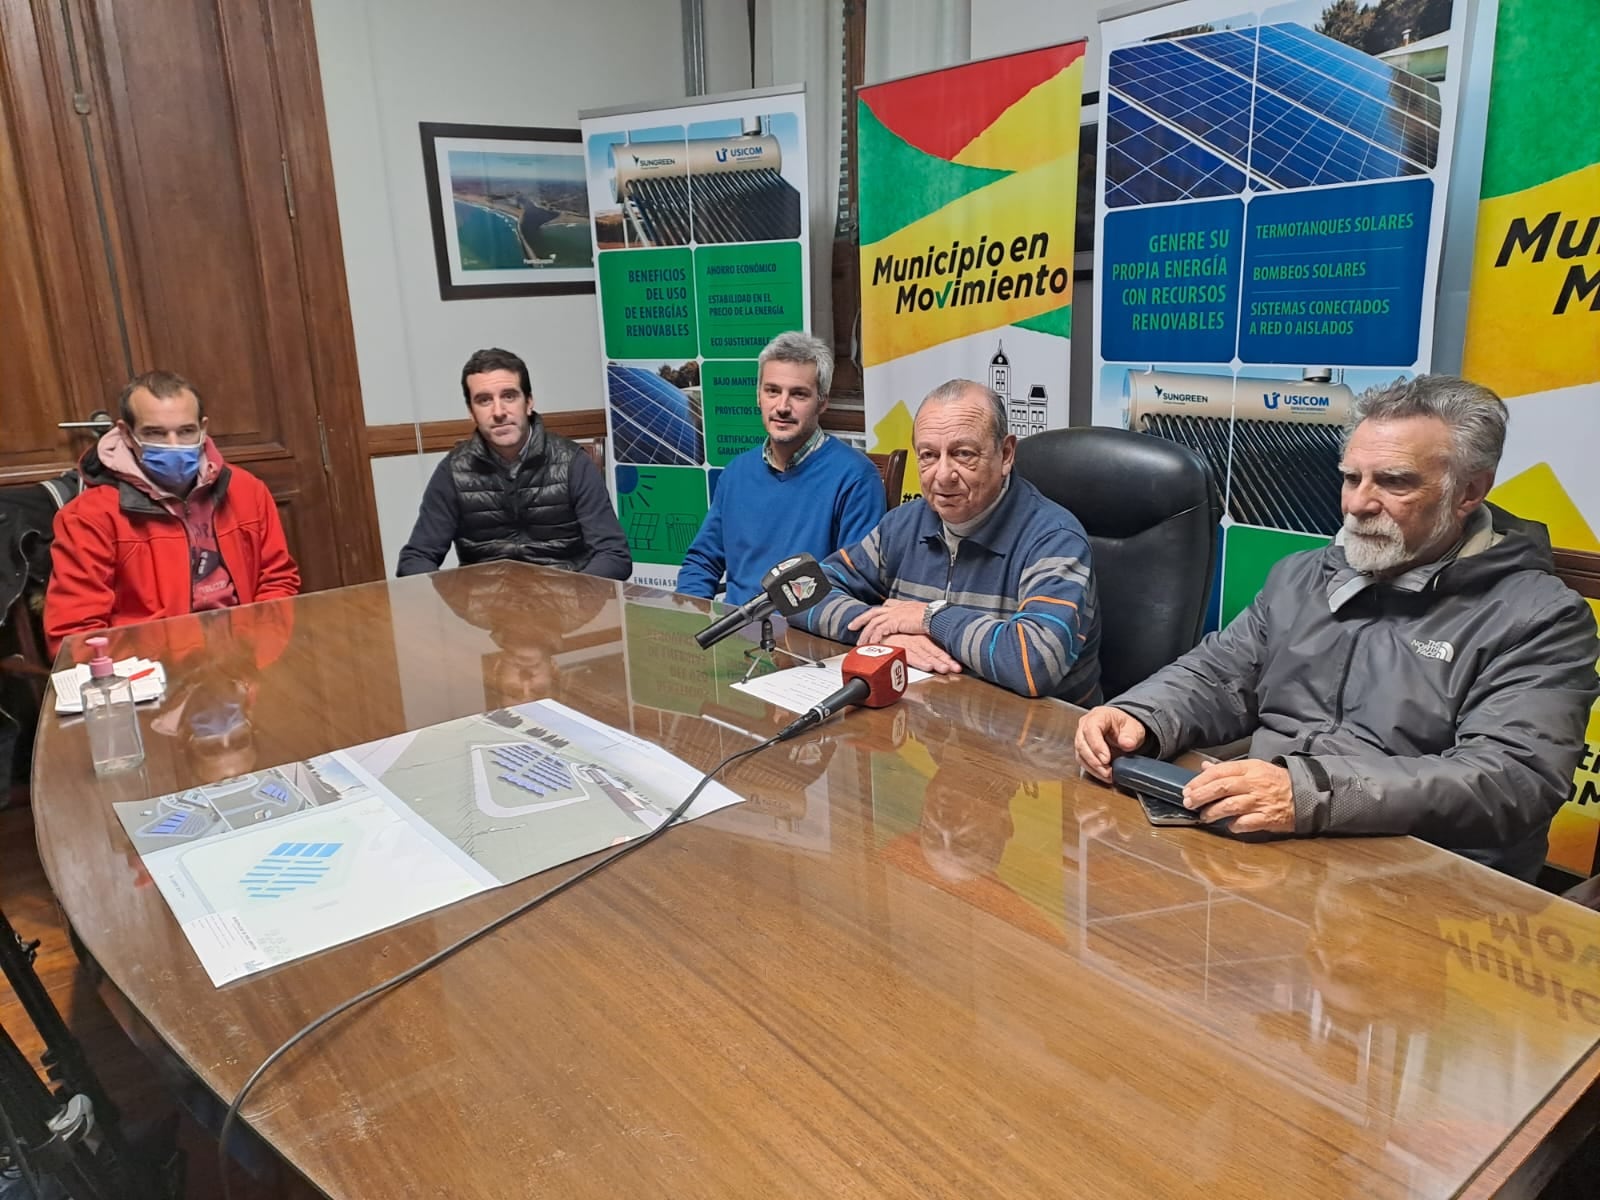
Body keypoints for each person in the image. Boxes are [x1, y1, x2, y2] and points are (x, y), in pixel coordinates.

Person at [1074, 374, 1600, 881]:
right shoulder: (1304, 574)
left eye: (1393, 482)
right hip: (1269, 852)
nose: (1357, 505)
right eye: (1351, 477)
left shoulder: (1540, 617)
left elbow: (1511, 779)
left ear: (1468, 492)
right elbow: (1219, 675)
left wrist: (1310, 794)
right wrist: (1139, 714)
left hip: (1421, 881)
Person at [792, 379, 1101, 703]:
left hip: (1037, 742)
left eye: (963, 454)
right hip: (929, 729)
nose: (942, 475)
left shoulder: (1055, 539)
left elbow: (1033, 662)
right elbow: (800, 592)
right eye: (928, 455)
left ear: (1006, 454)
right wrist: (884, 635)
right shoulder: (902, 525)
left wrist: (930, 617)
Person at [45, 370, 300, 654]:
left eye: (186, 431)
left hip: (243, 658)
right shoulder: (88, 517)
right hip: (154, 673)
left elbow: (278, 580)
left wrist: (262, 652)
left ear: (203, 429)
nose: (174, 445)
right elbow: (75, 635)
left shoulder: (247, 491)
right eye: (155, 433)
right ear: (127, 434)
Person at [677, 332, 884, 603]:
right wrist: (689, 620)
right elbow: (702, 561)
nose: (782, 407)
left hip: (808, 637)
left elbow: (857, 585)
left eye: (798, 394)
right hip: (733, 635)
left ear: (822, 402)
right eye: (772, 391)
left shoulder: (856, 478)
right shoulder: (736, 473)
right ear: (758, 397)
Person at [396, 348, 631, 579]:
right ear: (471, 412)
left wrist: (576, 596)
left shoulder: (573, 463)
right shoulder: (453, 471)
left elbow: (614, 555)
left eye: (509, 396)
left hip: (565, 604)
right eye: (484, 400)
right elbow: (416, 558)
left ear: (529, 403)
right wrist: (453, 604)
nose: (499, 412)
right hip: (484, 610)